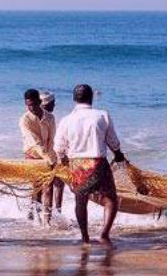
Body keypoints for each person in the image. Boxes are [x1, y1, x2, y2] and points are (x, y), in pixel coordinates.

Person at [54, 84, 126, 246]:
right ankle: (104, 235)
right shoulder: (102, 115)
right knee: (110, 199)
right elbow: (112, 141)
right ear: (91, 97)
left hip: (78, 165)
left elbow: (58, 147)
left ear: (74, 99)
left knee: (81, 201)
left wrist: (62, 159)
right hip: (98, 163)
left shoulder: (66, 120)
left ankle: (85, 238)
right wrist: (119, 154)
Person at [19, 89, 57, 225]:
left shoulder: (50, 117)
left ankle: (47, 220)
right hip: (32, 157)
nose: (31, 108)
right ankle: (34, 217)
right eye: (28, 105)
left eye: (34, 104)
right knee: (37, 189)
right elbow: (34, 142)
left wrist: (54, 158)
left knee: (49, 188)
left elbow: (52, 140)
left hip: (47, 155)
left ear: (40, 102)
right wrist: (48, 158)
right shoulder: (24, 120)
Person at [40, 90, 65, 215]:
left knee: (45, 186)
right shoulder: (46, 117)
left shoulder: (50, 117)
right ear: (46, 104)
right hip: (43, 156)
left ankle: (46, 214)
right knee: (52, 185)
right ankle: (53, 214)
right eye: (52, 103)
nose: (54, 105)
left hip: (49, 155)